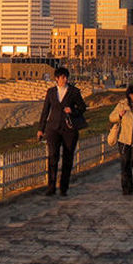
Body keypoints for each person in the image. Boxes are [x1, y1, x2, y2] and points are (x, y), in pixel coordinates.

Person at [37, 67, 87, 196]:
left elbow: (82, 107)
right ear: (57, 78)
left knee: (67, 158)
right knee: (52, 157)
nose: (64, 79)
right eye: (62, 77)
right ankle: (51, 187)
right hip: (53, 128)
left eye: (66, 77)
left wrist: (72, 110)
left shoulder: (74, 92)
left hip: (69, 129)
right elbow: (45, 111)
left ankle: (64, 187)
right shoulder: (51, 92)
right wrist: (40, 129)